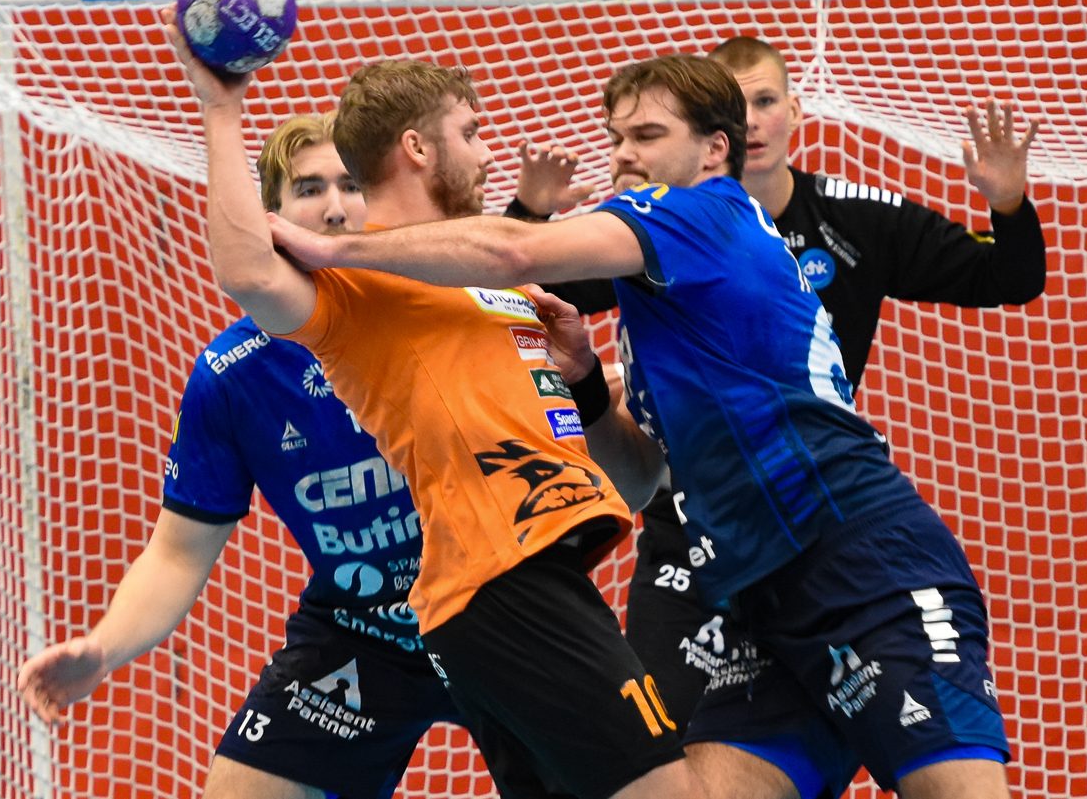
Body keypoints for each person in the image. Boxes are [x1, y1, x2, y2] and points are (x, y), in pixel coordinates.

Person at [268, 53, 1028, 799]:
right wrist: (586, 385)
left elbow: (511, 249)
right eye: (618, 137)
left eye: (648, 135)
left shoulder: (700, 211)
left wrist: (337, 247)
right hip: (756, 596)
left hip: (856, 557)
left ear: (715, 150)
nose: (624, 154)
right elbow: (637, 478)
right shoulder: (659, 291)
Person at [173, 10, 698, 799]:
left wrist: (587, 377)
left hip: (539, 571)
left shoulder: (501, 281)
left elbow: (632, 483)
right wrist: (222, 108)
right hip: (505, 579)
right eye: (471, 132)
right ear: (417, 148)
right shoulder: (354, 283)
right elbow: (249, 271)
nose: (487, 154)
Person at [17, 114, 469, 799]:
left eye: (351, 184)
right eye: (310, 188)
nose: (335, 206)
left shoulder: (446, 304)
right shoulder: (234, 374)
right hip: (361, 630)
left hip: (495, 612)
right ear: (270, 218)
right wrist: (103, 649)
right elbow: (177, 553)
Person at [621, 35, 1046, 730]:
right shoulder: (653, 228)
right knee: (654, 745)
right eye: (735, 106)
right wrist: (528, 213)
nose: (752, 121)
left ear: (794, 111)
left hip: (811, 519)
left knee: (835, 735)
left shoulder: (855, 220)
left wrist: (1008, 206)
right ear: (712, 132)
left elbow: (1009, 277)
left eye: (765, 101)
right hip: (691, 524)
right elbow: (540, 282)